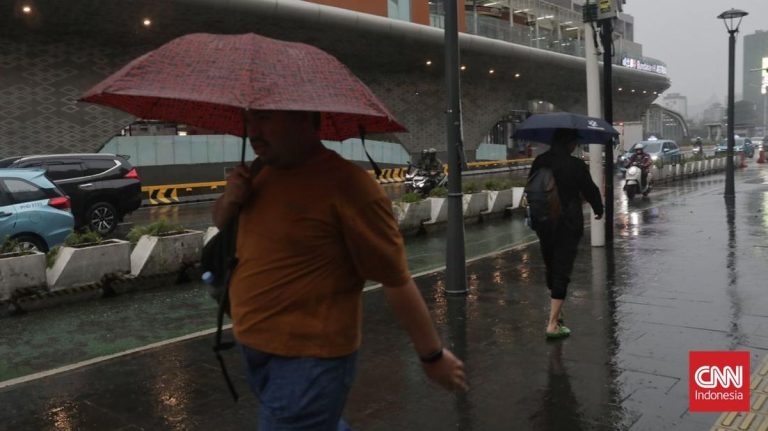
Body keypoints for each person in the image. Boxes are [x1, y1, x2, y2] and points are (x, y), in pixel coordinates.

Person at [212, 110, 467, 430]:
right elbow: (221, 221)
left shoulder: (350, 186)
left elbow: (395, 279)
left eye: (264, 119)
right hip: (254, 346)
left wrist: (432, 356)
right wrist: (231, 198)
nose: (252, 131)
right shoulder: (259, 172)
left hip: (309, 360)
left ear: (303, 118)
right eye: (249, 120)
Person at [527, 128, 603, 339]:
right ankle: (553, 324)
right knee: (562, 268)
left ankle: (557, 311)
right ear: (569, 143)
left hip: (543, 222)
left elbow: (531, 187)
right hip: (567, 223)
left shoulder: (540, 161)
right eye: (574, 142)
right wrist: (598, 209)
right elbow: (590, 190)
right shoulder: (575, 164)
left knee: (551, 264)